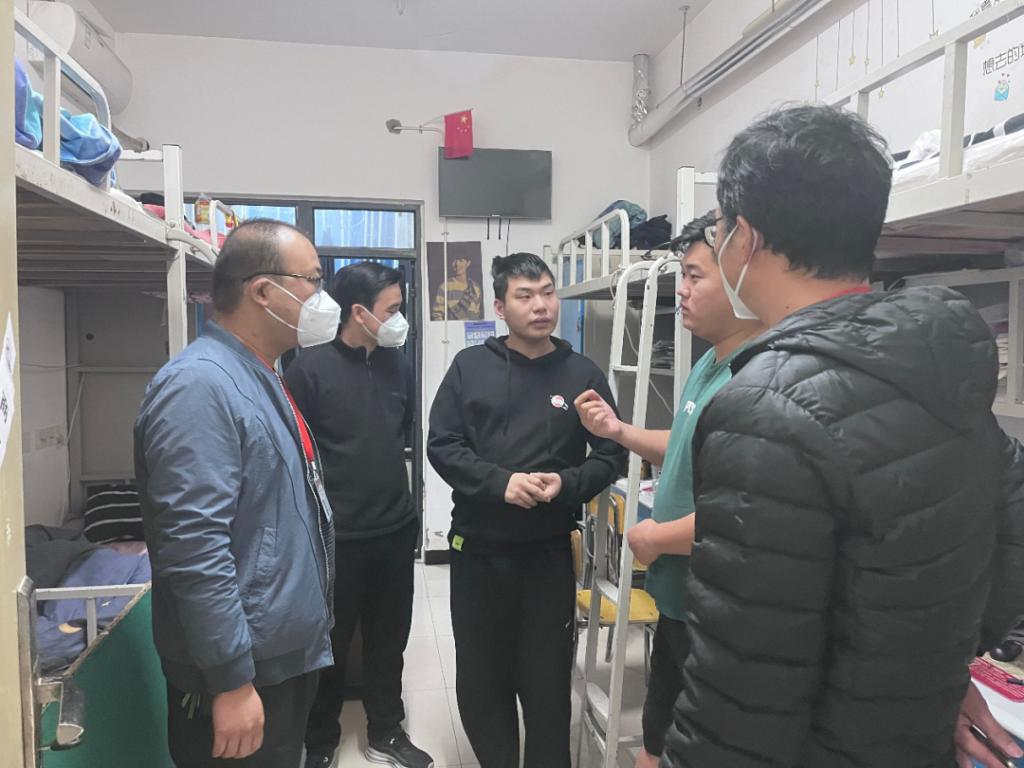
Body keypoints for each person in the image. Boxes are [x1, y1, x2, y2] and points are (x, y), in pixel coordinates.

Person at [656, 104, 1024, 768]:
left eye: (719, 230)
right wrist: (936, 676)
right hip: (914, 735)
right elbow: (1012, 533)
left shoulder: (764, 406)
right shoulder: (942, 362)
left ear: (746, 239)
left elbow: (742, 682)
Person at [135, 219, 341, 767]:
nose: (323, 299)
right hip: (240, 673)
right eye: (313, 281)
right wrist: (230, 679)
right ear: (263, 291)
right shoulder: (200, 386)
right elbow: (195, 548)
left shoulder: (260, 372)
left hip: (276, 656)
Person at [574, 211, 763, 768]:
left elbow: (753, 508)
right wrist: (618, 431)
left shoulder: (755, 377)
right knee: (658, 735)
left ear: (740, 275)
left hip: (718, 604)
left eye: (694, 276)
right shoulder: (709, 361)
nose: (681, 290)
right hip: (681, 597)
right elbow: (682, 444)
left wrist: (656, 538)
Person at [427, 252, 626, 768]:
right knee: (482, 679)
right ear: (500, 306)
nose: (541, 305)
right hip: (478, 552)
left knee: (547, 683)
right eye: (525, 295)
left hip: (547, 556)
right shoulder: (470, 367)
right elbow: (442, 444)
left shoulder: (582, 373)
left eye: (547, 292)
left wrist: (567, 484)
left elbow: (612, 453)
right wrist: (501, 483)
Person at [285, 261, 432, 768]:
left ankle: (386, 731)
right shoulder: (307, 370)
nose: (399, 319)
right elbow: (297, 455)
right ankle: (320, 740)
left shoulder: (398, 364)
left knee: (389, 639)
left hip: (394, 528)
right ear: (358, 312)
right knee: (330, 641)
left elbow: (400, 432)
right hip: (337, 536)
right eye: (392, 309)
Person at [431, 251, 482, 320]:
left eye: (461, 260)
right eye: (454, 260)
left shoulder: (475, 288)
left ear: (468, 263)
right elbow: (437, 315)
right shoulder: (444, 287)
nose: (457, 264)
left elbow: (476, 314)